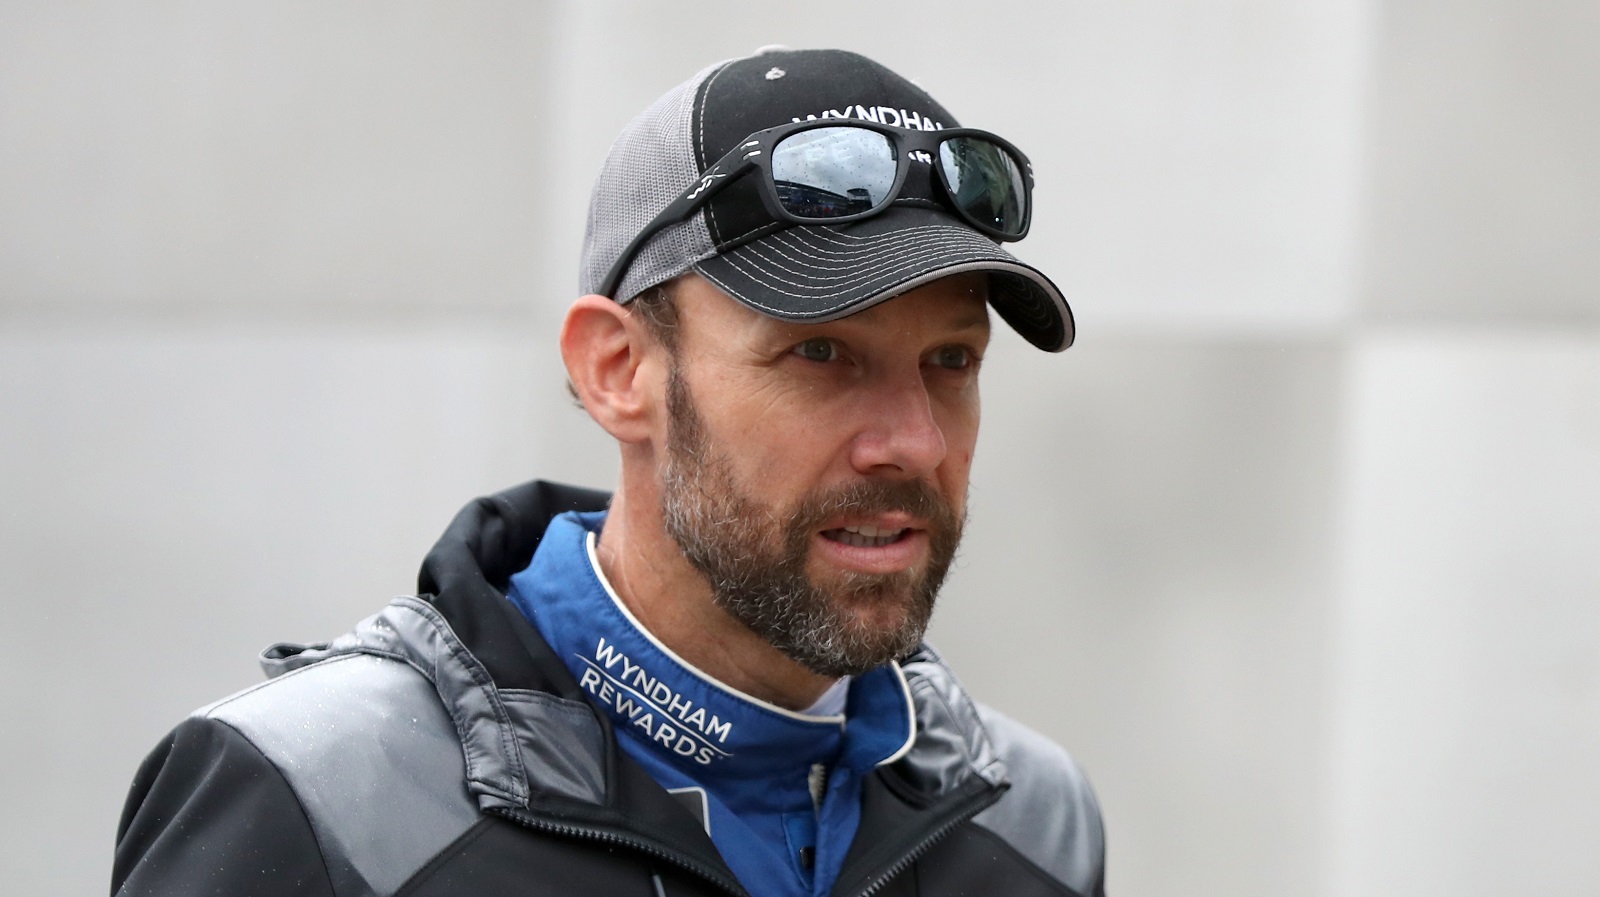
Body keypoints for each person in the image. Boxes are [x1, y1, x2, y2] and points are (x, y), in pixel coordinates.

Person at [112, 47, 1106, 897]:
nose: (915, 443)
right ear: (616, 371)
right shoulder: (317, 794)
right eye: (820, 355)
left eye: (950, 361)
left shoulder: (1032, 823)